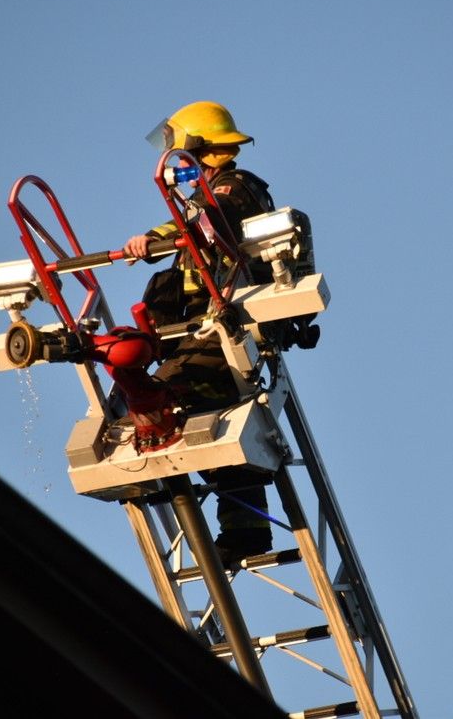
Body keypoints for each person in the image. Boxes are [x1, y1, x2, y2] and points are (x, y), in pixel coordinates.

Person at [124, 101, 277, 568]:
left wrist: (159, 238)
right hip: (203, 329)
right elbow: (195, 221)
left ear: (194, 148)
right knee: (214, 425)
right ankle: (243, 532)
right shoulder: (208, 196)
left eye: (174, 147)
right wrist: (157, 238)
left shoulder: (236, 188)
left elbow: (212, 221)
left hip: (224, 329)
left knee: (162, 394)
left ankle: (153, 478)